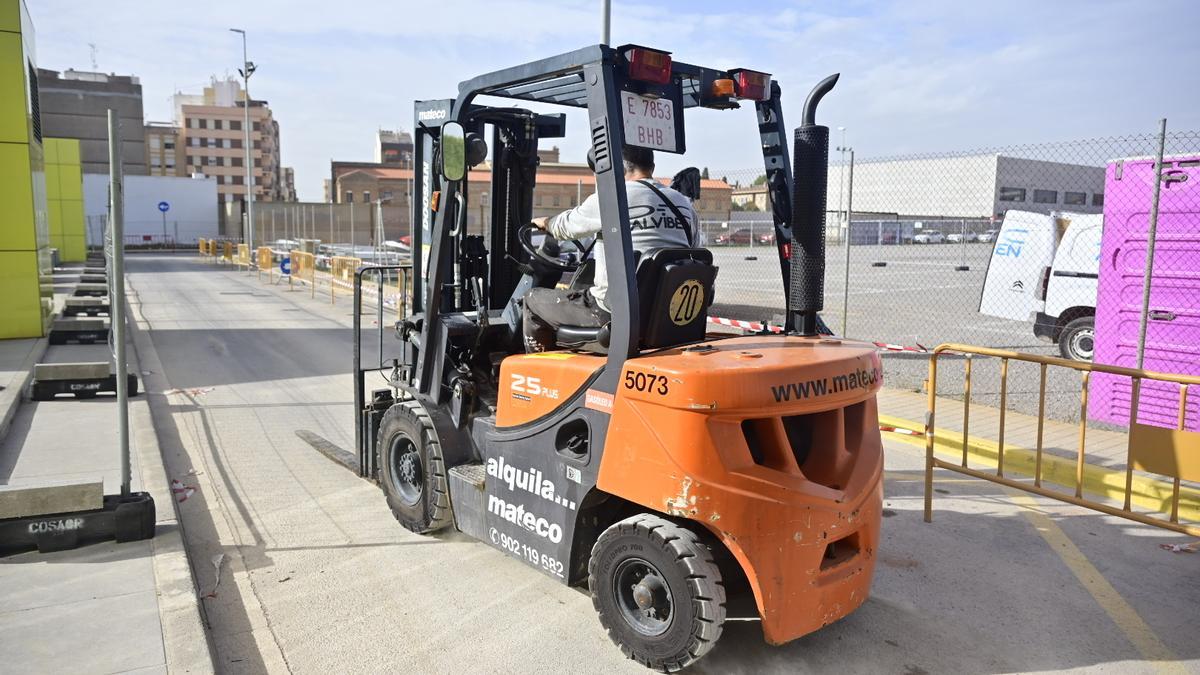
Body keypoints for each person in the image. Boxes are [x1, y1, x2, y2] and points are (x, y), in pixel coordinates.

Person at [523, 146, 698, 352]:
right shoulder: (683, 204)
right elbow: (692, 249)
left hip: (612, 313)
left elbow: (564, 227)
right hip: (663, 313)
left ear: (617, 166)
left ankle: (540, 375)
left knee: (532, 300)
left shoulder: (613, 197)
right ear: (652, 165)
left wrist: (545, 222)